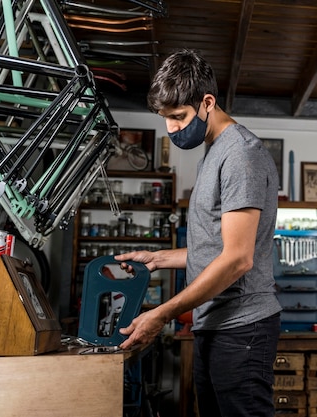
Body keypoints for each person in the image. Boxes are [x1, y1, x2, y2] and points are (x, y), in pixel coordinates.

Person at [114, 49, 282, 417]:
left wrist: (162, 314)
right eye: (165, 119)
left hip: (242, 328)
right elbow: (216, 249)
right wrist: (157, 259)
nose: (171, 128)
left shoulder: (241, 155)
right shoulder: (214, 152)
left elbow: (238, 259)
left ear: (208, 102)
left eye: (178, 117)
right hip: (216, 324)